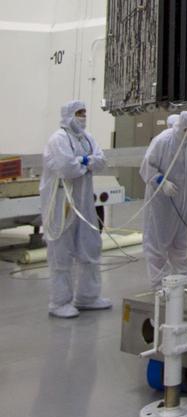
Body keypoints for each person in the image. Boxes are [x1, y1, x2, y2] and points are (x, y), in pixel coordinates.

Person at [41, 100, 112, 318]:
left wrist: (82, 161)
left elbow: (101, 161)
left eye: (84, 113)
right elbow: (66, 168)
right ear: (68, 115)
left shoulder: (87, 138)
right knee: (61, 249)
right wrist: (85, 163)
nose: (83, 117)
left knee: (90, 245)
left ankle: (87, 297)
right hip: (61, 200)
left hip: (84, 200)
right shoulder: (58, 139)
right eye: (79, 113)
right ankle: (59, 302)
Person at [140, 109, 187, 288]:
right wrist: (162, 183)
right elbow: (147, 166)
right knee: (159, 234)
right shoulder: (164, 140)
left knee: (181, 234)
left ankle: (183, 270)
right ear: (179, 126)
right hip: (162, 198)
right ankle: (158, 279)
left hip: (185, 195)